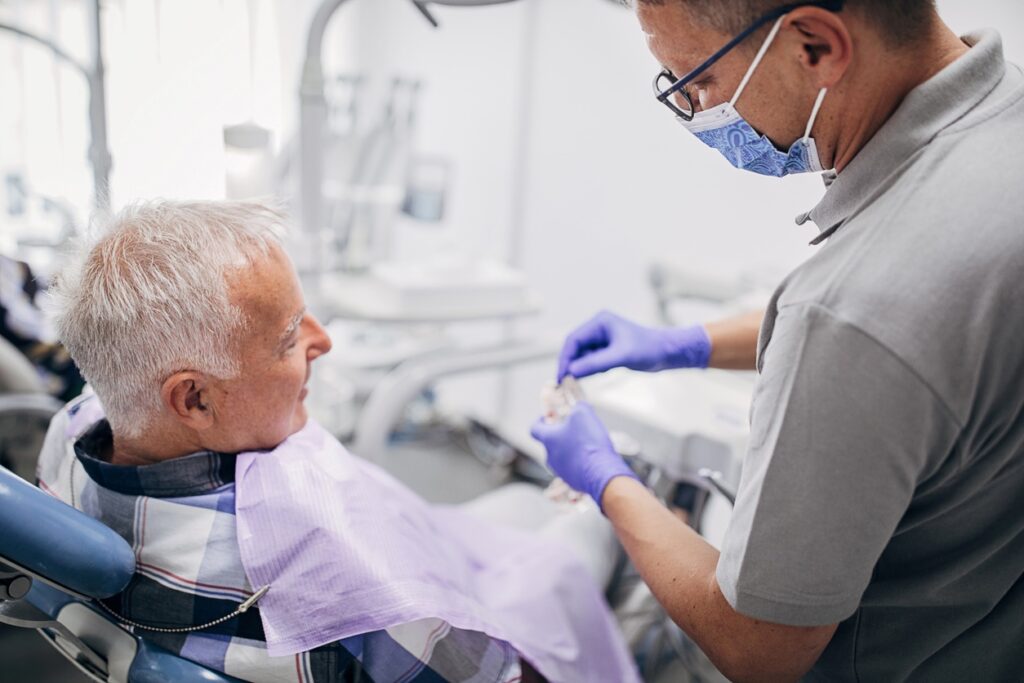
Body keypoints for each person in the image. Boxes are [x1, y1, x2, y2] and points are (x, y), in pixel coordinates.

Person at [531, 1, 1024, 681]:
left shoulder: (848, 314)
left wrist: (605, 477)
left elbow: (758, 645)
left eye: (695, 83)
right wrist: (688, 342)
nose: (696, 112)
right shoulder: (1004, 115)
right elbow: (938, 323)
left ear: (814, 45)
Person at [37, 200, 636, 683]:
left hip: (430, 541)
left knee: (516, 517)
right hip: (479, 593)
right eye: (289, 338)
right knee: (574, 534)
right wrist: (613, 489)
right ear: (194, 399)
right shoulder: (348, 582)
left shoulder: (74, 428)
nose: (323, 342)